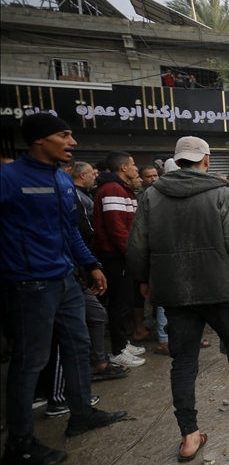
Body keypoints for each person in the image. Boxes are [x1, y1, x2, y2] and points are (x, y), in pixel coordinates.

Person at [127, 136, 229, 462]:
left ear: (175, 161)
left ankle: (189, 435)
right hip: (220, 287)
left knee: (184, 361)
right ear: (206, 160)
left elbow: (136, 246)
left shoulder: (151, 195)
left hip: (175, 291)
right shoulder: (221, 192)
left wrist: (144, 280)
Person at [1, 113, 127, 465]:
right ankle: (20, 442)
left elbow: (70, 231)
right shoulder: (9, 178)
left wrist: (91, 265)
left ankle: (82, 414)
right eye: (64, 135)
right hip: (28, 284)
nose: (73, 142)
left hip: (66, 278)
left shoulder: (61, 179)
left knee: (80, 344)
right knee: (30, 361)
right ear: (40, 140)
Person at [93, 151, 147, 368]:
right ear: (123, 168)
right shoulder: (113, 189)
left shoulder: (122, 189)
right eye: (133, 165)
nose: (136, 169)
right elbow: (117, 229)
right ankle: (117, 351)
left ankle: (122, 344)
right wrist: (131, 254)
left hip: (120, 255)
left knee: (123, 301)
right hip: (115, 256)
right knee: (119, 304)